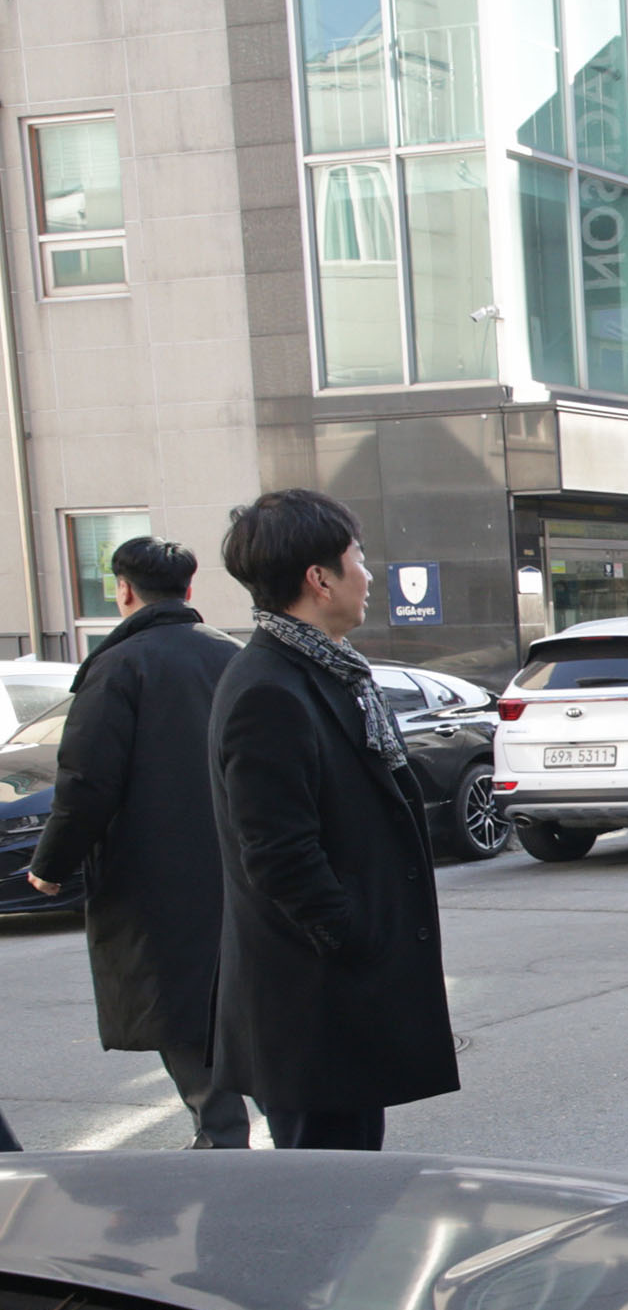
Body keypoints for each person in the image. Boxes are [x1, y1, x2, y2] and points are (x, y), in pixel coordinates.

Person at [207, 490, 457, 1150]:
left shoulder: (323, 670)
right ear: (319, 580)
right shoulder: (269, 688)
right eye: (359, 559)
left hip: (334, 1003)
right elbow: (278, 853)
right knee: (324, 1209)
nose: (369, 575)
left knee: (344, 1193)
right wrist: (356, 940)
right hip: (311, 1007)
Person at [26, 538, 248, 1147]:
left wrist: (51, 865)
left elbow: (86, 779)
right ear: (190, 589)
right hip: (236, 861)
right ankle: (247, 1133)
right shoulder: (229, 655)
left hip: (153, 870)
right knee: (229, 994)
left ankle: (220, 1136)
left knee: (176, 1004)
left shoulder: (120, 665)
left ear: (123, 589)